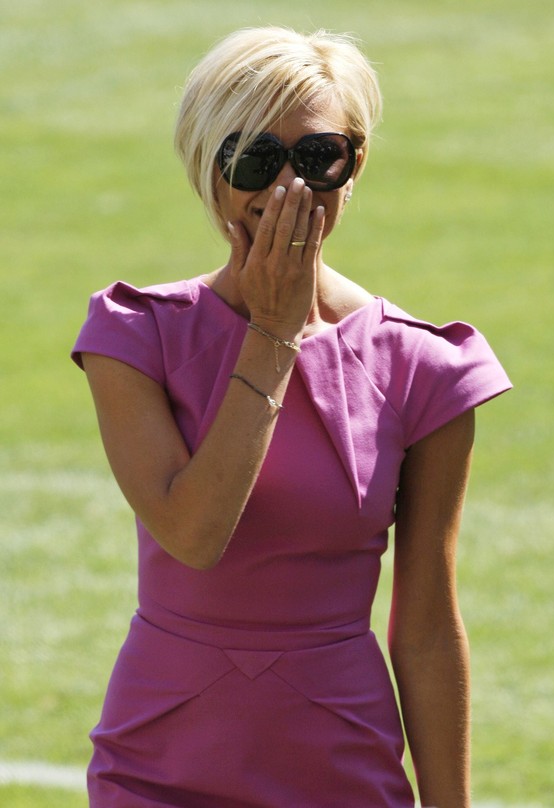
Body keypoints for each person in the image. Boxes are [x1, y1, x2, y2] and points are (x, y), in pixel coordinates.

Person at [72, 26, 511, 808]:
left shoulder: (428, 367)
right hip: (157, 765)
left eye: (316, 158)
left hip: (341, 761)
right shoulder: (134, 334)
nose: (285, 190)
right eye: (252, 160)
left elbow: (428, 628)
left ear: (355, 162)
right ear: (207, 169)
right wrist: (274, 335)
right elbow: (194, 533)